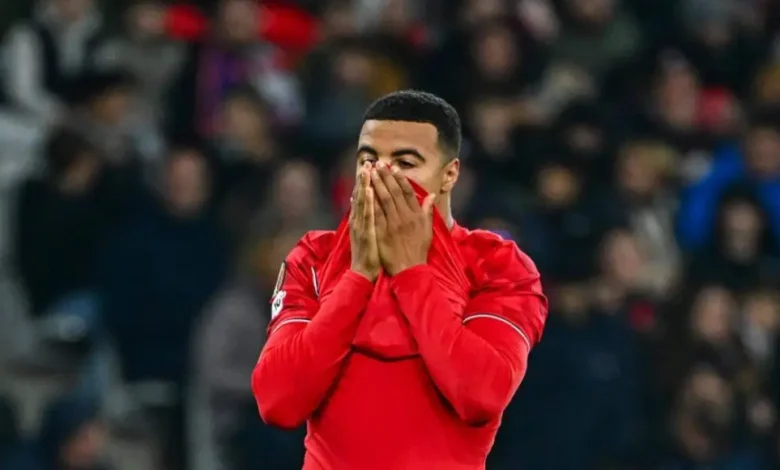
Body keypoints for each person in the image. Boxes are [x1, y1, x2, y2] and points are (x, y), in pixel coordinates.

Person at [252, 90, 548, 469]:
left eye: (405, 162)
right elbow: (277, 402)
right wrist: (358, 277)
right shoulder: (314, 257)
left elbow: (480, 395)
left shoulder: (497, 265)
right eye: (368, 160)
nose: (381, 175)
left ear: (449, 175)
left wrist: (411, 273)